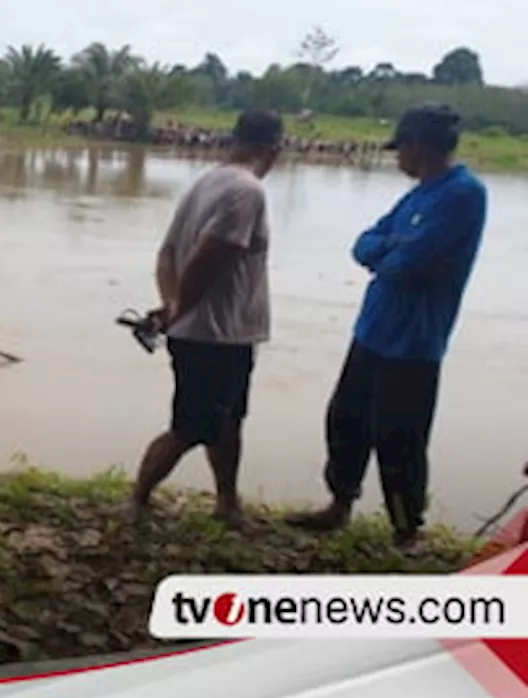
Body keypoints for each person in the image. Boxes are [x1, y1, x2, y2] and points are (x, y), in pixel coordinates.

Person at [286, 105, 488, 549]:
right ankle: (339, 504)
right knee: (346, 419)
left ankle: (407, 528)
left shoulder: (463, 195)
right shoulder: (419, 194)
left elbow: (405, 264)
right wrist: (391, 248)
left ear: (420, 147)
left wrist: (390, 250)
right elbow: (363, 244)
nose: (398, 159)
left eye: (402, 150)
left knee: (400, 436)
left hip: (414, 342)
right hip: (372, 329)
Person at [129, 110, 285, 527]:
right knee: (190, 428)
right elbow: (209, 257)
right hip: (211, 337)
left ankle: (227, 503)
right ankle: (138, 500)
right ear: (274, 150)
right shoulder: (248, 191)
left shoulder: (208, 180)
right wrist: (177, 310)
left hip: (223, 334)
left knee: (229, 420)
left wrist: (169, 305)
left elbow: (167, 253)